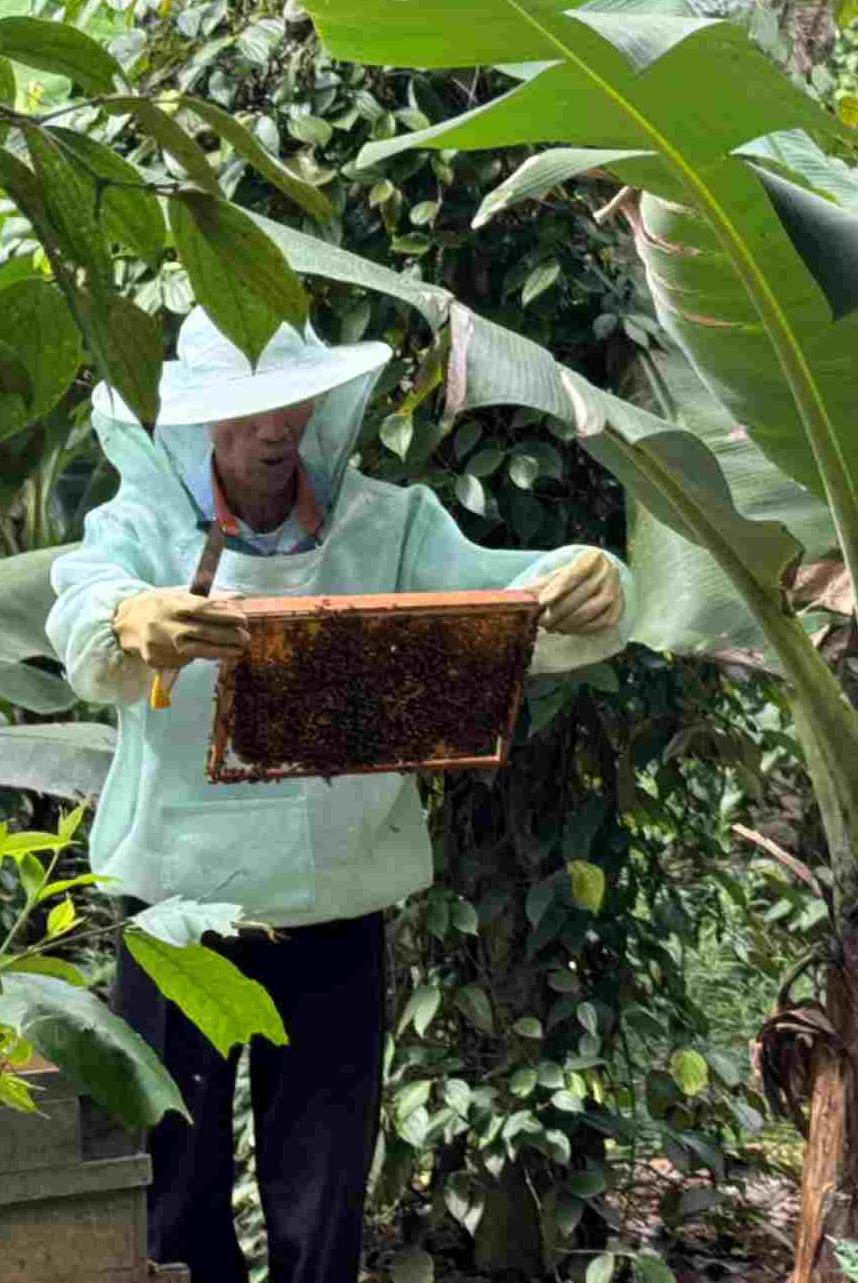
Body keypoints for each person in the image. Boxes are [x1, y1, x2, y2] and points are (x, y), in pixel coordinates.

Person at [46, 307, 633, 1283]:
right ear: (198, 421)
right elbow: (84, 599)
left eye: (289, 404)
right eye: (247, 412)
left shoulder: (386, 522)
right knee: (171, 1176)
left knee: (320, 1188)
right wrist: (125, 615)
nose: (275, 429)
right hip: (177, 904)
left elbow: (507, 603)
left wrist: (586, 579)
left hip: (336, 904)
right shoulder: (140, 526)